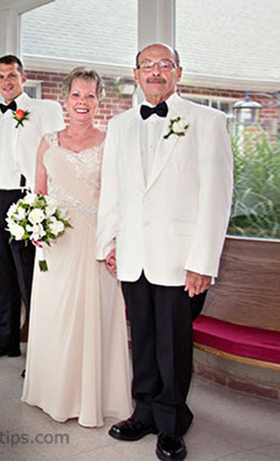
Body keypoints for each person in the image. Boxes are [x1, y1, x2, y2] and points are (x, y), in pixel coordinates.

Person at [97, 43, 233, 461]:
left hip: (180, 259)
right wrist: (109, 243)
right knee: (142, 338)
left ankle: (173, 422)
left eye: (164, 65)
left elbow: (217, 196)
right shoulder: (120, 125)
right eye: (147, 66)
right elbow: (112, 189)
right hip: (134, 253)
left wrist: (202, 261)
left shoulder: (207, 122)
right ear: (135, 74)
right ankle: (145, 412)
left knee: (172, 343)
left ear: (178, 72)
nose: (155, 72)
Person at [22, 68, 132, 427]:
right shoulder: (47, 141)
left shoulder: (110, 141)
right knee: (55, 313)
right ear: (64, 100)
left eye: (90, 96)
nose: (83, 102)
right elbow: (38, 192)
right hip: (56, 242)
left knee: (94, 312)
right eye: (76, 95)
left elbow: (120, 195)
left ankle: (91, 396)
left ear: (98, 101)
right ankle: (54, 391)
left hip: (96, 239)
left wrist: (113, 240)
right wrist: (33, 225)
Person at [0, 55, 65, 359]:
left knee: (30, 277)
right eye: (0, 77)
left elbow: (56, 155)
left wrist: (48, 204)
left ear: (23, 78)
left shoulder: (44, 110)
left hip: (27, 200)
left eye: (12, 75)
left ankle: (41, 351)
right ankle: (6, 339)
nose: (6, 82)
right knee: (2, 275)